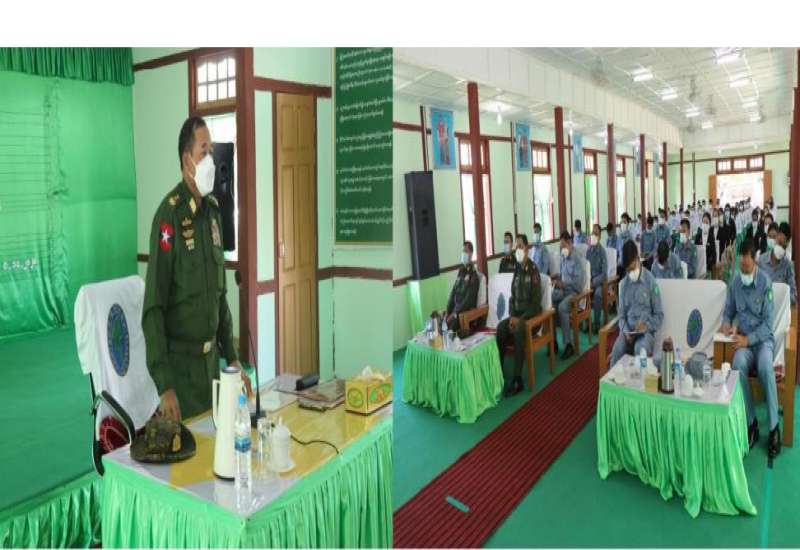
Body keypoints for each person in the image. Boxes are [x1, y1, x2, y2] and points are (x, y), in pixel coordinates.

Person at [143, 116, 246, 421]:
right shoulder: (169, 216)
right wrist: (164, 385)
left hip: (212, 369)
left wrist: (233, 359)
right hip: (181, 375)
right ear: (187, 159)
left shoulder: (213, 213)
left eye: (211, 151)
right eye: (204, 151)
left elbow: (219, 297)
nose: (211, 159)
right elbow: (153, 308)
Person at [722, 239, 780, 458]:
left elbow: (768, 324)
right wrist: (726, 323)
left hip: (762, 341)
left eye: (747, 266)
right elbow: (728, 310)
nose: (743, 270)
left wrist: (749, 340)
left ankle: (774, 428)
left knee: (765, 366)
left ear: (754, 260)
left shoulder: (765, 283)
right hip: (744, 341)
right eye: (741, 265)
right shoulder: (736, 282)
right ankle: (751, 422)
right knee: (737, 365)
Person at [496, 234, 542, 397]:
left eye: (521, 246)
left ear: (527, 249)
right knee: (501, 328)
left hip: (531, 318)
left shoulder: (533, 270)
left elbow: (536, 304)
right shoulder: (516, 270)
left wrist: (520, 319)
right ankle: (498, 372)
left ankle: (517, 379)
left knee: (518, 329)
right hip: (516, 315)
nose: (518, 249)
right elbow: (512, 298)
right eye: (516, 247)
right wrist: (511, 316)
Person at [609, 240, 664, 367]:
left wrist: (646, 326)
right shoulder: (623, 284)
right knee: (616, 350)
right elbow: (621, 316)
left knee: (639, 350)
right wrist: (625, 331)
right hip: (628, 334)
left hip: (645, 334)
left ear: (638, 259)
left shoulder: (650, 281)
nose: (630, 273)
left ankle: (637, 380)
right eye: (628, 270)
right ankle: (612, 379)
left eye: (632, 268)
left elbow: (659, 315)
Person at [551, 231, 586, 359]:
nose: (562, 249)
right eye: (560, 247)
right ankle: (553, 342)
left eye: (563, 246)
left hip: (575, 293)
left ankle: (568, 345)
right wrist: (556, 278)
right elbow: (563, 276)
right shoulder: (563, 257)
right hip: (564, 291)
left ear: (570, 243)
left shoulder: (577, 259)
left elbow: (579, 285)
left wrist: (563, 284)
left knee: (562, 307)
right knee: (550, 302)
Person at [444, 241, 480, 330]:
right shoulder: (461, 272)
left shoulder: (474, 275)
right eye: (463, 251)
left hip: (463, 313)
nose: (463, 254)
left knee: (450, 328)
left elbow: (468, 301)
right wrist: (448, 311)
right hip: (455, 310)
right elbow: (453, 292)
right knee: (440, 322)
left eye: (466, 251)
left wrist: (454, 314)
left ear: (471, 254)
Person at [758, 223, 796, 305]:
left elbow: (794, 296)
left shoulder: (787, 266)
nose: (780, 248)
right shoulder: (761, 260)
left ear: (787, 245)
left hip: (780, 308)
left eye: (783, 246)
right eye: (779, 243)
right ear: (775, 239)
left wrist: (780, 295)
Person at [586, 224, 607, 333]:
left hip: (599, 283)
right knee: (581, 293)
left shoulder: (602, 252)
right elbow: (586, 268)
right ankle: (586, 322)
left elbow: (604, 274)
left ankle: (597, 323)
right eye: (592, 233)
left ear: (600, 236)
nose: (594, 235)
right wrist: (587, 281)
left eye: (596, 234)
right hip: (589, 281)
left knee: (598, 294)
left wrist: (593, 282)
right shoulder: (588, 251)